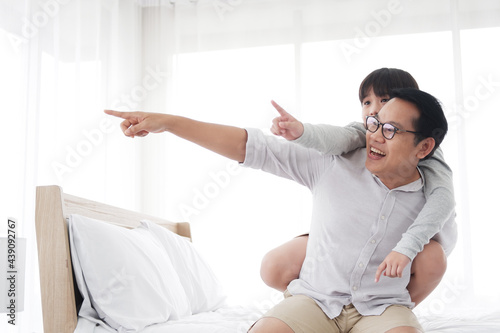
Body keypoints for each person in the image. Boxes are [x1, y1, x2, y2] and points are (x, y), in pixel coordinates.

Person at [105, 87, 456, 332]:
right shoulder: (335, 163)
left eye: (392, 130)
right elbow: (252, 147)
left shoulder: (435, 199)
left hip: (383, 306)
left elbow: (436, 259)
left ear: (424, 147)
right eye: (374, 123)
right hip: (317, 300)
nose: (376, 136)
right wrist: (170, 123)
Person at [262, 68, 455, 307]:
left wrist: (407, 247)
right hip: (350, 240)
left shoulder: (428, 153)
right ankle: (323, 303)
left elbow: (443, 199)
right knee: (272, 266)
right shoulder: (363, 133)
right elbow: (336, 138)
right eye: (366, 102)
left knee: (433, 260)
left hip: (412, 244)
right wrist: (301, 131)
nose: (374, 109)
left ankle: (386, 308)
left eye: (385, 100)